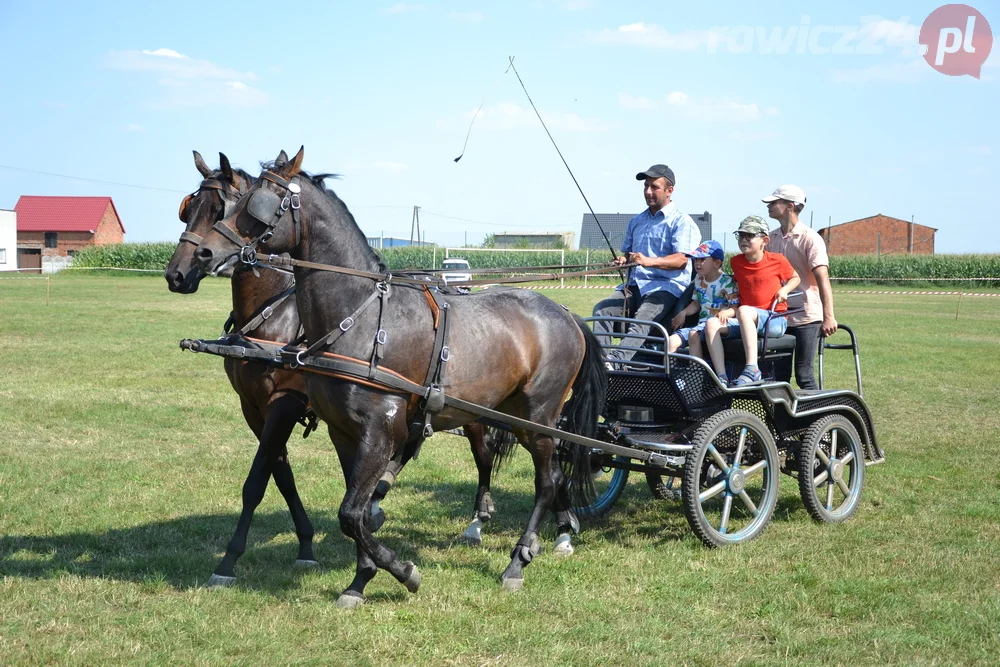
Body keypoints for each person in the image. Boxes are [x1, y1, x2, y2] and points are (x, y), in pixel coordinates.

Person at [592, 164, 701, 365]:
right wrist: (624, 260)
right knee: (601, 310)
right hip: (635, 287)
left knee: (641, 320)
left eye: (654, 187)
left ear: (670, 190)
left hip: (666, 287)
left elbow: (681, 261)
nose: (648, 192)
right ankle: (600, 362)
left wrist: (648, 261)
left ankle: (615, 362)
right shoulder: (637, 221)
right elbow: (630, 254)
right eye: (646, 186)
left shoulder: (681, 222)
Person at [704, 215, 800, 386]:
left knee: (744, 310)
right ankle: (720, 377)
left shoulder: (777, 260)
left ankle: (752, 369)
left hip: (773, 320)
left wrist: (784, 290)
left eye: (749, 235)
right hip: (744, 319)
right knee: (712, 324)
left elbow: (795, 278)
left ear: (765, 240)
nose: (743, 239)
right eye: (740, 235)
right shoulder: (736, 262)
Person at [763, 184, 837, 390]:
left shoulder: (810, 238)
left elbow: (823, 278)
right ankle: (783, 422)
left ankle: (816, 420)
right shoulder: (771, 238)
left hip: (807, 317)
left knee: (804, 375)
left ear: (790, 206)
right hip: (779, 318)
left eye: (774, 202)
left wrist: (829, 316)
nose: (768, 205)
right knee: (779, 378)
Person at [667, 240, 739, 359]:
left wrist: (725, 312)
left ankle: (696, 373)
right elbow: (697, 302)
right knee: (671, 340)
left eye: (702, 259)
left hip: (717, 328)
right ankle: (673, 374)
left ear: (716, 263)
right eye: (696, 260)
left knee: (693, 334)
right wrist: (684, 313)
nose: (697, 263)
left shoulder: (727, 283)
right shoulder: (699, 279)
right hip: (700, 325)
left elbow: (735, 307)